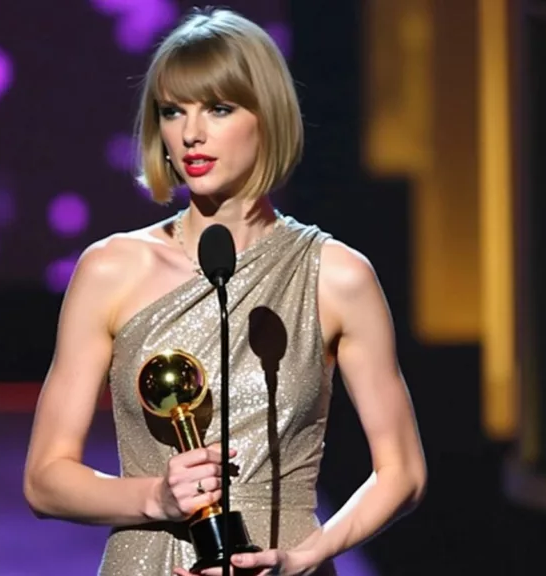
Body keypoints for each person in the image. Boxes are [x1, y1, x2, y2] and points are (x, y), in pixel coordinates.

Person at [23, 7, 427, 576]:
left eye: (218, 108)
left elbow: (402, 471)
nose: (190, 133)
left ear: (268, 116)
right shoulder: (111, 269)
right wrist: (154, 497)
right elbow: (45, 478)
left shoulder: (338, 277)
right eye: (172, 111)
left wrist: (312, 553)